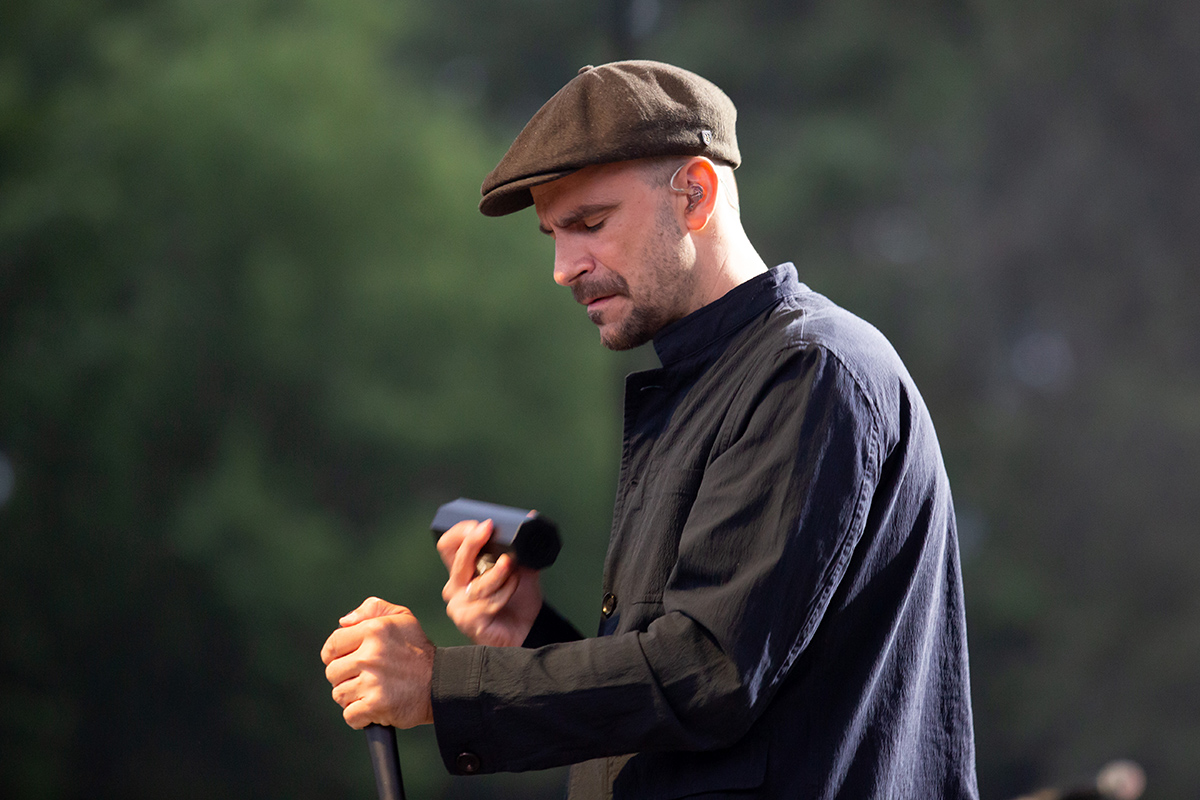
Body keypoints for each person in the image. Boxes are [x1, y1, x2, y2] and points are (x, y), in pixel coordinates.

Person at [322, 60, 979, 799]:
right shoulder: (722, 378)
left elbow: (708, 672)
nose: (563, 267)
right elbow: (685, 714)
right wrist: (530, 637)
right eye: (552, 234)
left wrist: (441, 686)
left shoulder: (809, 371)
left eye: (589, 224)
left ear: (695, 193)